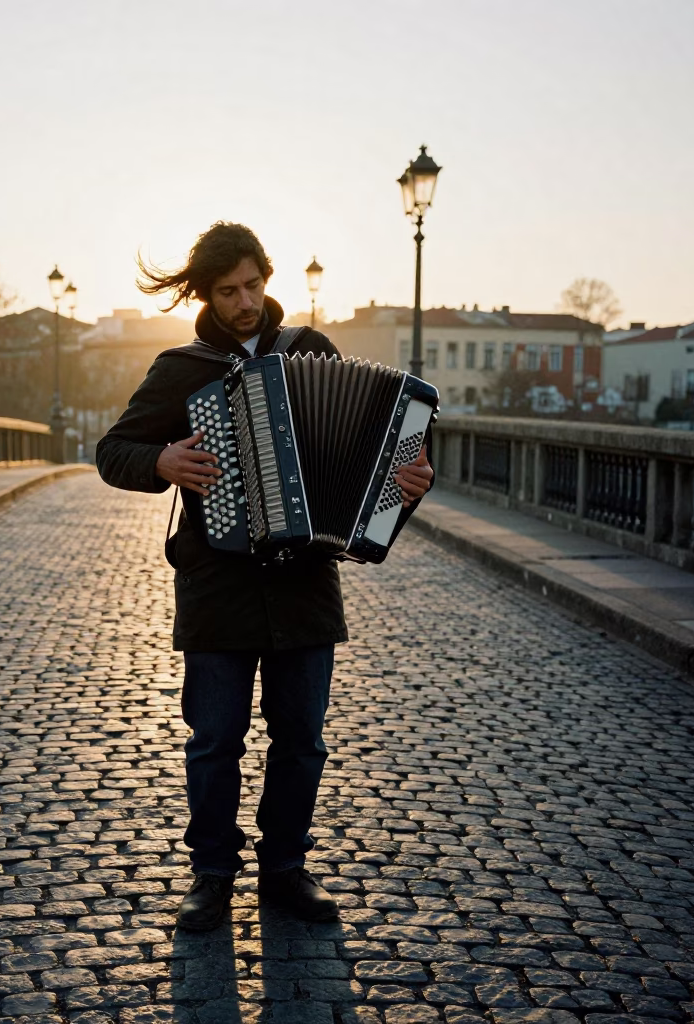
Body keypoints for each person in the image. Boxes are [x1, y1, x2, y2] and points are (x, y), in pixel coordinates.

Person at [95, 223, 434, 930]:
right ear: (205, 294)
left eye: (253, 285)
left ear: (265, 277)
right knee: (215, 738)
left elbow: (374, 454)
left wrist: (409, 482)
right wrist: (160, 463)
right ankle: (211, 875)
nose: (245, 301)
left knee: (302, 739)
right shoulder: (180, 369)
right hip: (217, 586)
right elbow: (113, 450)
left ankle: (285, 869)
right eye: (228, 292)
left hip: (306, 584)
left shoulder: (309, 351)